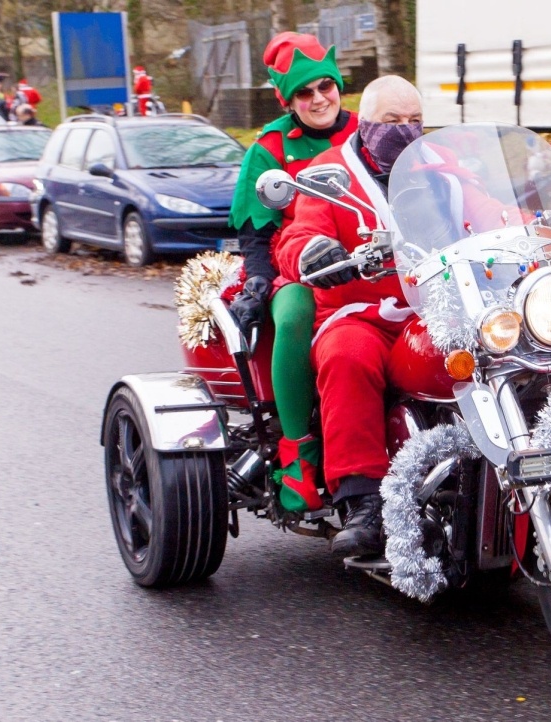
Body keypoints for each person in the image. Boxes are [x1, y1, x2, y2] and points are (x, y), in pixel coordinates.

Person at [275, 75, 424, 557]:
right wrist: (315, 251)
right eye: (392, 121)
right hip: (358, 311)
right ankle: (363, 501)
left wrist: (539, 230)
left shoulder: (441, 165)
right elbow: (299, 233)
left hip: (439, 304)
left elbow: (487, 210)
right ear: (366, 122)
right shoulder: (329, 170)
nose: (405, 130)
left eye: (415, 120)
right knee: (346, 357)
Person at [227, 32, 358, 517]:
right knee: (297, 312)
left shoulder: (370, 132)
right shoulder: (270, 147)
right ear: (289, 99)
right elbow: (257, 234)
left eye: (325, 86)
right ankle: (298, 453)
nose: (318, 98)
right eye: (305, 93)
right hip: (298, 263)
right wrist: (258, 282)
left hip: (376, 258)